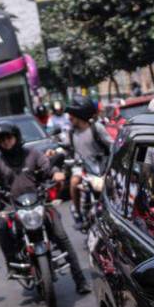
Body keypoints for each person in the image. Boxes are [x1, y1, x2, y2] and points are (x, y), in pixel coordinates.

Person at [0, 120, 90, 294]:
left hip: (39, 201)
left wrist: (56, 173)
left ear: (16, 137)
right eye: (2, 140)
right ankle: (12, 265)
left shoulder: (32, 154)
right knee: (1, 226)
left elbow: (48, 167)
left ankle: (80, 280)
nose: (6, 142)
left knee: (61, 236)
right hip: (12, 205)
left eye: (8, 138)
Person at [64, 96, 113, 226]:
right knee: (74, 181)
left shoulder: (96, 129)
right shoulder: (71, 133)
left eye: (72, 114)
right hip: (82, 168)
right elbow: (65, 148)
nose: (69, 118)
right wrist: (54, 152)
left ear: (80, 114)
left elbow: (112, 145)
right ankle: (77, 211)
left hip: (101, 167)